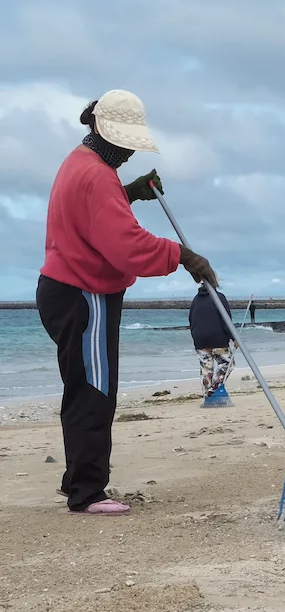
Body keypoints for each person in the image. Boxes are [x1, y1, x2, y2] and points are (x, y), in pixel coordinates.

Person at [37, 90, 217, 516]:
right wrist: (183, 257)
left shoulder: (80, 161)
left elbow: (94, 218)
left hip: (62, 289)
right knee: (94, 393)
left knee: (81, 388)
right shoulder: (97, 176)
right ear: (104, 133)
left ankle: (76, 481)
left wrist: (130, 193)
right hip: (86, 295)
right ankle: (87, 493)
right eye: (125, 144)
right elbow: (126, 246)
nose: (129, 152)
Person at [189, 284, 236, 399]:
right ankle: (214, 389)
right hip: (217, 338)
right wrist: (234, 337)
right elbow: (226, 320)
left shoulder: (196, 299)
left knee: (206, 368)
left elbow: (191, 319)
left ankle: (207, 396)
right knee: (227, 363)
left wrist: (195, 335)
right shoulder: (219, 297)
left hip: (200, 338)